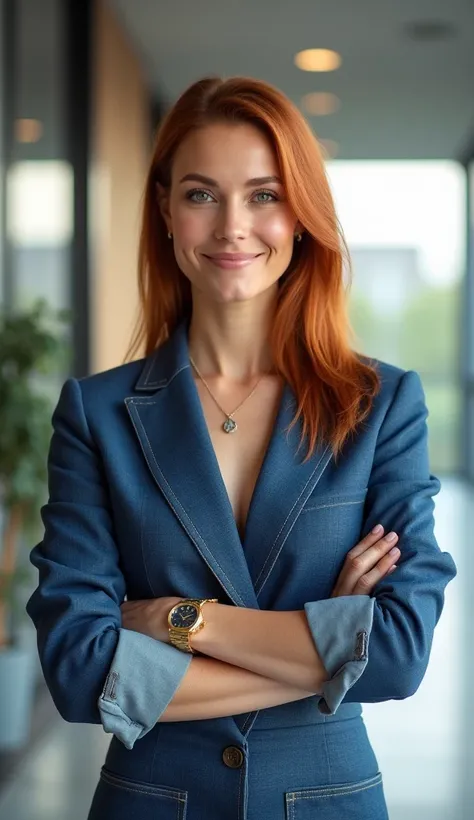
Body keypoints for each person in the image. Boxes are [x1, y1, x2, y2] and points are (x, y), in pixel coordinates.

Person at [27, 75, 456, 820]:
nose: (232, 226)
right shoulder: (96, 414)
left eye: (263, 195)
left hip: (328, 799)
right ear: (164, 209)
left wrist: (179, 621)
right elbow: (79, 670)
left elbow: (395, 652)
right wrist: (326, 654)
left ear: (301, 214)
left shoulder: (381, 406)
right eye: (201, 194)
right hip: (153, 802)